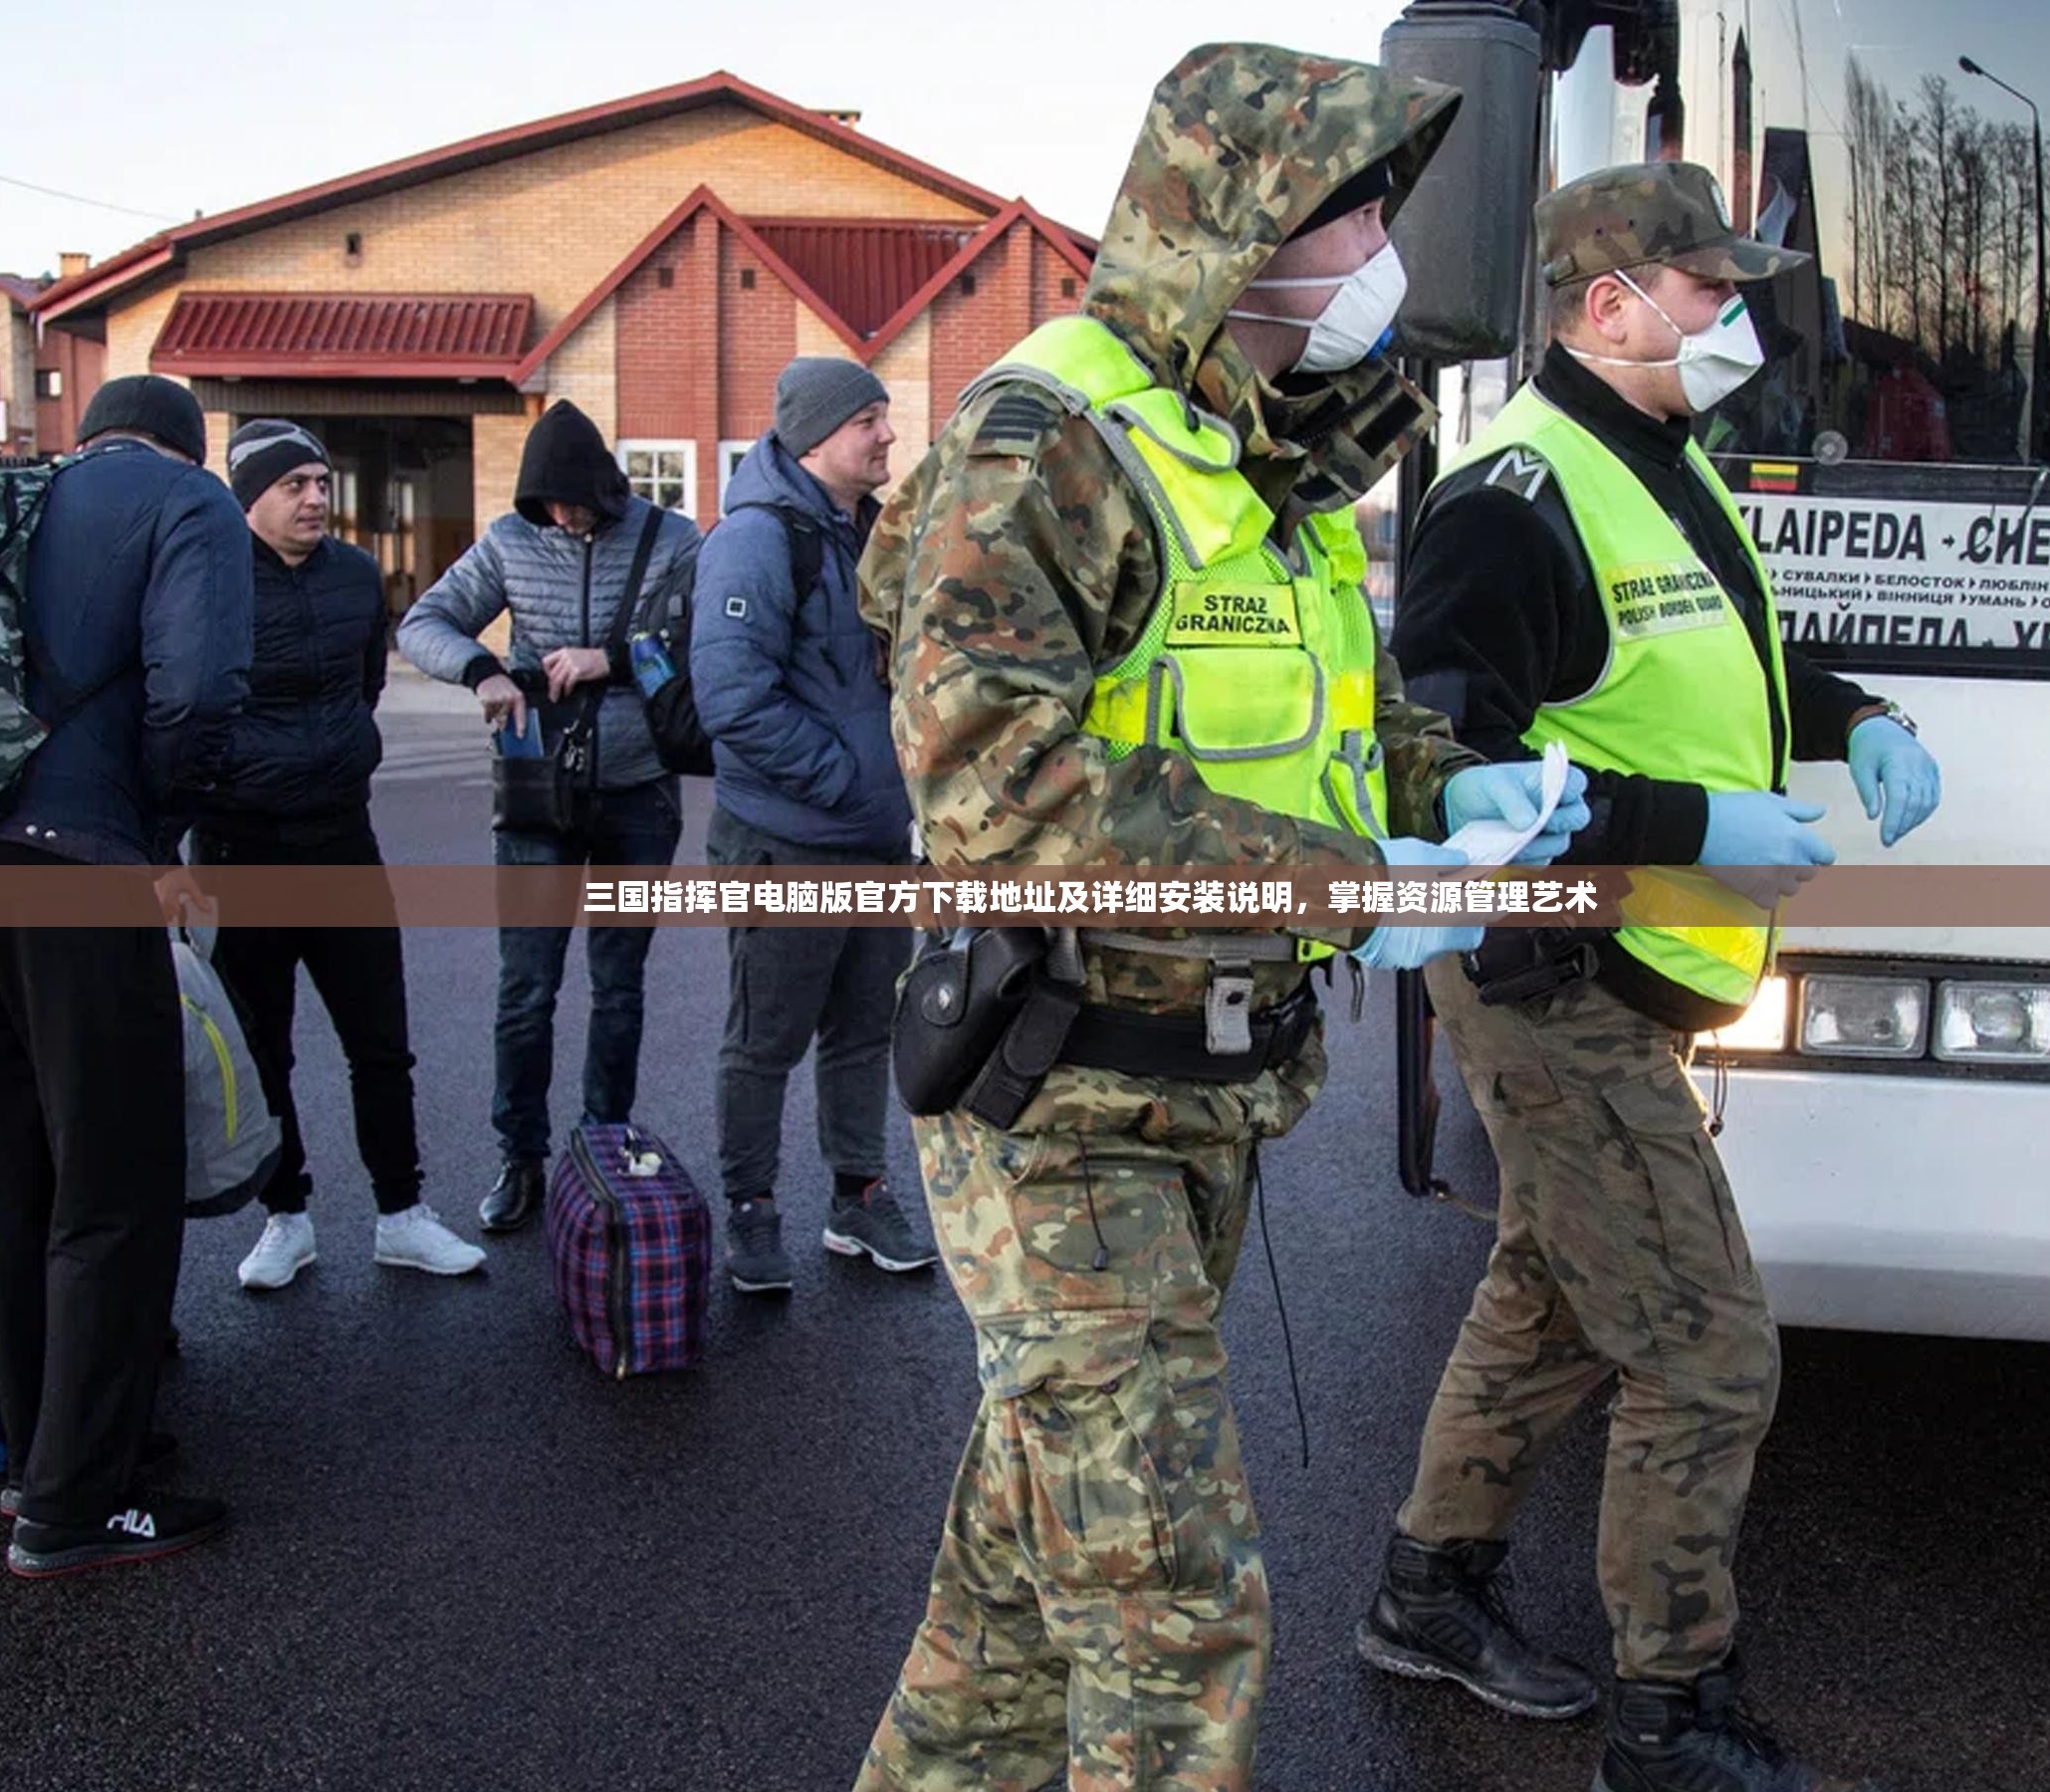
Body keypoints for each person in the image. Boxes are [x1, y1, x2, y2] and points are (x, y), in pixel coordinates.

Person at [850, 43, 1582, 1788]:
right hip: (1059, 1103)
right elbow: (992, 794)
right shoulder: (1048, 444)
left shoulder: (1256, 461)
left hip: (1203, 1092)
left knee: (1027, 1581)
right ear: (1236, 223)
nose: (1380, 252)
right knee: (1175, 1609)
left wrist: (1438, 789)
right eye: (1351, 212)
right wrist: (1347, 889)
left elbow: (1327, 719)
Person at [1374, 162, 1941, 1791]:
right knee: (1706, 1350)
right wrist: (1696, 825)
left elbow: (1710, 668)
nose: (1738, 318)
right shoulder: (1513, 497)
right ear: (1610, 305)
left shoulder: (1657, 459)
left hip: (1628, 965)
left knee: (1551, 1294)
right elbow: (1445, 776)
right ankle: (1669, 1720)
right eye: (1710, 291)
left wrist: (1852, 721)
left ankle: (1428, 1594)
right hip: (1558, 973)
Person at [0, 373, 254, 1577]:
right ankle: (79, 1505)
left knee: (5, 1172)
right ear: (183, 442)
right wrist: (149, 832)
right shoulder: (182, 502)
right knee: (114, 1178)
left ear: (87, 433)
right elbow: (196, 691)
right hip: (74, 863)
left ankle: (35, 1464)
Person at [396, 401, 700, 1232]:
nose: (561, 518)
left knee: (619, 985)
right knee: (526, 989)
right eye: (547, 507)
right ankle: (518, 1158)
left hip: (640, 795)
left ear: (602, 485)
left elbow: (708, 638)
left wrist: (614, 659)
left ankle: (604, 1145)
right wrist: (479, 669)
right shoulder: (508, 540)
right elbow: (423, 621)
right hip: (537, 797)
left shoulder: (672, 541)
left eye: (572, 502)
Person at [199, 420, 486, 1290]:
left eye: (322, 483)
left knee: (381, 1043)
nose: (316, 499)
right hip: (240, 850)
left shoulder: (359, 578)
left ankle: (402, 1215)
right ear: (250, 497)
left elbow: (366, 688)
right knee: (264, 1049)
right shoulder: (208, 585)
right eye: (294, 486)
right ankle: (287, 1219)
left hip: (342, 839)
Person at [690, 357, 928, 1293]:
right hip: (787, 842)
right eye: (870, 419)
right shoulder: (756, 540)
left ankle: (857, 1195)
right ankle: (751, 1209)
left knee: (866, 1031)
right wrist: (847, 782)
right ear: (816, 434)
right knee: (766, 1039)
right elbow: (733, 699)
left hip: (874, 841)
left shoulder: (863, 532)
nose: (887, 436)